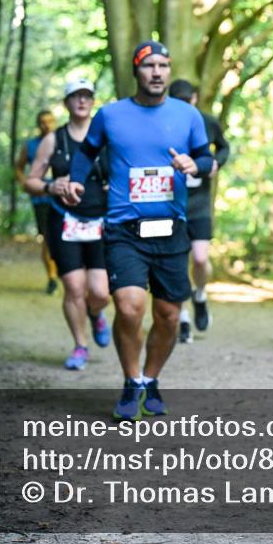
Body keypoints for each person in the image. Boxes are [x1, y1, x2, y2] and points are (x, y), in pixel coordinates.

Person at [63, 42, 213, 421]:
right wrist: (76, 181)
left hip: (171, 228)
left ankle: (151, 379)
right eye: (150, 66)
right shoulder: (110, 115)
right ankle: (131, 381)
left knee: (166, 314)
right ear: (137, 71)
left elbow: (208, 157)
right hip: (123, 228)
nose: (158, 72)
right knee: (130, 308)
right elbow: (86, 152)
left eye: (164, 65)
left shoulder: (188, 115)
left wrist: (193, 165)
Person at [25, 79, 111, 370]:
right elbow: (31, 181)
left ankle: (96, 313)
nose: (82, 101)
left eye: (87, 96)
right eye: (76, 96)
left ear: (93, 101)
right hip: (64, 221)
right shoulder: (54, 140)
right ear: (66, 103)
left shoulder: (105, 138)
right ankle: (80, 345)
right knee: (74, 286)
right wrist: (51, 187)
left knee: (100, 292)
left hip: (101, 220)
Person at [168, 79, 231, 343]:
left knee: (201, 259)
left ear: (195, 98)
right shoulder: (164, 124)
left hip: (200, 203)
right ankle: (182, 318)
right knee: (177, 263)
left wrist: (215, 163)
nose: (184, 106)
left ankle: (201, 295)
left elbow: (224, 146)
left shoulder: (207, 122)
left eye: (187, 100)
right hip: (172, 203)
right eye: (178, 101)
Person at [15, 110, 59, 295]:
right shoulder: (31, 145)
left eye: (49, 121)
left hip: (62, 196)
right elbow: (19, 167)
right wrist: (25, 182)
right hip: (41, 198)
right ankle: (52, 278)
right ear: (38, 124)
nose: (46, 125)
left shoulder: (63, 141)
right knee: (48, 238)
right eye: (42, 122)